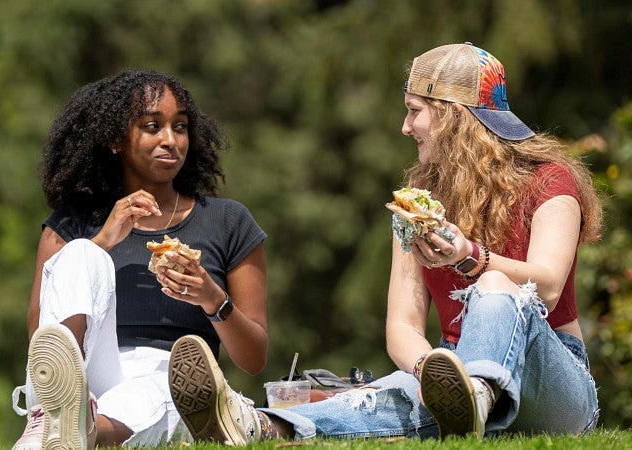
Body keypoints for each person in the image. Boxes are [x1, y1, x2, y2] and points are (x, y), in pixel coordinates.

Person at [167, 42, 602, 444]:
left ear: (453, 115)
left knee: (494, 288)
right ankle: (259, 424)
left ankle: (476, 397)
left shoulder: (550, 181)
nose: (405, 127)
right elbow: (402, 327)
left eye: (415, 112)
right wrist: (427, 374)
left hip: (555, 385)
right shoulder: (418, 204)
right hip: (458, 365)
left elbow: (546, 286)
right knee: (376, 396)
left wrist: (469, 258)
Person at [11, 70, 268, 448]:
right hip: (83, 371)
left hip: (169, 373)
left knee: (158, 382)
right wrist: (103, 240)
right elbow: (40, 336)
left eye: (180, 127)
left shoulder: (227, 221)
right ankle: (63, 409)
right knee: (81, 251)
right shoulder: (74, 222)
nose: (170, 140)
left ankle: (81, 432)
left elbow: (254, 358)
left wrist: (212, 300)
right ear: (116, 139)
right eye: (152, 126)